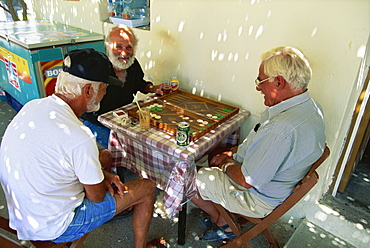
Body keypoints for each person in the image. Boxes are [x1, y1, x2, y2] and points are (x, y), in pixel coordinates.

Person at [0, 48, 162, 247]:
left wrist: (103, 174)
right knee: (147, 187)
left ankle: (109, 199)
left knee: (103, 156)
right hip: (56, 226)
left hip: (23, 213)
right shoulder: (79, 136)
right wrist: (103, 179)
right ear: (88, 91)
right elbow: (96, 197)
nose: (105, 93)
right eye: (104, 87)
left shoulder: (33, 106)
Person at [191, 46, 326, 242]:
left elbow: (247, 179)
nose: (257, 87)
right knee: (218, 152)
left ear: (279, 82)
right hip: (273, 182)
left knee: (184, 176)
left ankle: (222, 222)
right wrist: (232, 154)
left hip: (256, 197)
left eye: (261, 81)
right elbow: (262, 146)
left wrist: (226, 164)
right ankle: (223, 213)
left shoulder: (282, 129)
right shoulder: (311, 108)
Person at [82, 24, 164, 148]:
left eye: (129, 47)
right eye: (118, 47)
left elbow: (140, 84)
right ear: (108, 46)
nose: (124, 53)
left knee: (151, 139)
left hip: (123, 119)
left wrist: (154, 88)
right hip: (97, 122)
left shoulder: (133, 64)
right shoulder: (98, 68)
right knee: (122, 148)